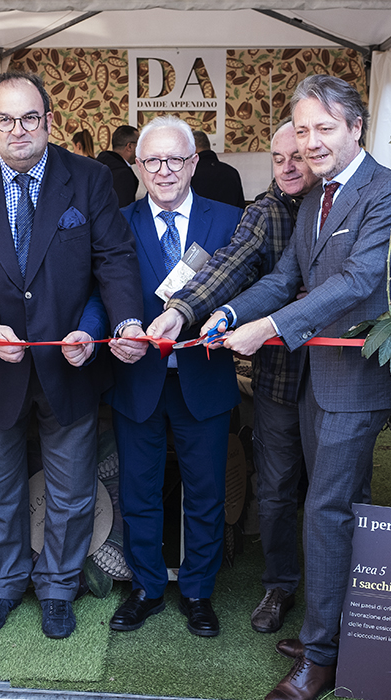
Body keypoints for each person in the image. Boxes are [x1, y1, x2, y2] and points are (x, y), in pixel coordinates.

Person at [206, 75, 391, 700]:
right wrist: (228, 313)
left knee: (327, 510)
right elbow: (288, 277)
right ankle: (335, 630)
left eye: (324, 127)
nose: (311, 140)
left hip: (354, 384)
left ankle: (322, 656)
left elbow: (358, 281)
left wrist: (267, 329)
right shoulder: (314, 200)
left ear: (356, 128)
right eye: (302, 128)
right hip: (313, 384)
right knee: (333, 507)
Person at [0, 71, 144, 640]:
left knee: (72, 490)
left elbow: (115, 260)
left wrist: (117, 324)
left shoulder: (92, 180)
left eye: (30, 118)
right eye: (5, 119)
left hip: (68, 363)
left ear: (49, 121)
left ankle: (57, 587)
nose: (18, 129)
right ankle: (1, 585)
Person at [148, 118, 321, 635]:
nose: (288, 166)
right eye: (277, 157)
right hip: (280, 375)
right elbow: (230, 267)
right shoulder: (264, 213)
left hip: (337, 373)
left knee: (332, 493)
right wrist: (193, 311)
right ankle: (280, 585)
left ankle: (340, 597)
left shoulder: (341, 207)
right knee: (275, 485)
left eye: (299, 156)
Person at [102, 115, 241, 638]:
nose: (163, 170)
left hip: (203, 377)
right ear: (137, 164)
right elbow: (100, 292)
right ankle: (147, 587)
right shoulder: (115, 222)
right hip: (137, 380)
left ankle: (199, 590)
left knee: (205, 489)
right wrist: (115, 329)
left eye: (175, 159)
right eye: (152, 160)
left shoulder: (229, 221)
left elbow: (245, 289)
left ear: (195, 163)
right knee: (139, 490)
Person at [190, 130, 246, 209]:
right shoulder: (232, 172)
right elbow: (241, 208)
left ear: (193, 149)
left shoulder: (191, 172)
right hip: (230, 220)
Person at [96, 125, 140, 207]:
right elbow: (123, 212)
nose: (141, 149)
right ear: (129, 146)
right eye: (139, 144)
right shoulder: (123, 174)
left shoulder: (98, 164)